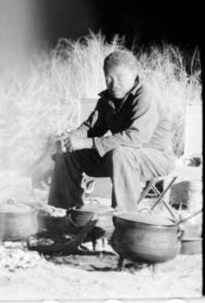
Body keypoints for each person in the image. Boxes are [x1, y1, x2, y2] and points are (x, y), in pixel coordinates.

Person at [44, 50, 176, 212]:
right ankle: (66, 214)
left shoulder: (146, 97)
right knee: (67, 154)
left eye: (120, 78)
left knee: (120, 153)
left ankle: (125, 219)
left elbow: (135, 138)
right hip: (120, 159)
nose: (114, 84)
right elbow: (90, 128)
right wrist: (69, 139)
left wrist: (86, 143)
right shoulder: (107, 99)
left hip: (156, 157)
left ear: (134, 74)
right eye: (109, 78)